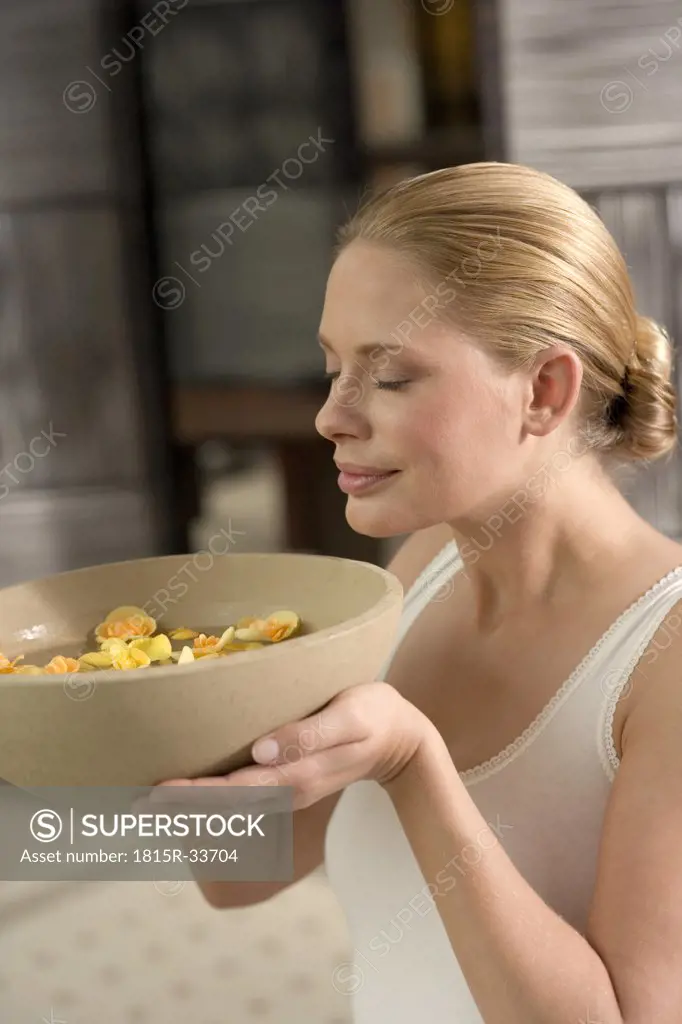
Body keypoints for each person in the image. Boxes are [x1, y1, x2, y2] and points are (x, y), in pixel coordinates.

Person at [154, 162, 682, 1023]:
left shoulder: (663, 658)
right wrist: (175, 728)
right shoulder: (424, 568)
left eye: (390, 376)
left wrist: (413, 766)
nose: (332, 416)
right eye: (332, 368)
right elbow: (244, 882)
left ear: (545, 391)